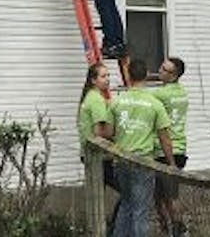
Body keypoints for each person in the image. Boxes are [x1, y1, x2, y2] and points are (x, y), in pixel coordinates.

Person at [109, 59, 175, 237]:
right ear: (146, 76)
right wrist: (171, 163)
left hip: (121, 160)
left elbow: (108, 131)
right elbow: (165, 138)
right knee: (140, 212)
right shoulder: (154, 104)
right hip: (143, 162)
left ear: (128, 75)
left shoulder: (117, 102)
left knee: (126, 205)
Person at [154, 58, 189, 237]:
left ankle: (177, 230)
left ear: (174, 75)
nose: (159, 71)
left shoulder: (161, 94)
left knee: (167, 195)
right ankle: (174, 229)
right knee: (166, 195)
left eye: (164, 70)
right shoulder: (182, 92)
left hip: (166, 151)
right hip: (180, 148)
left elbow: (138, 95)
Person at [78, 63, 116, 188]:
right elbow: (100, 131)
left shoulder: (89, 97)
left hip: (88, 152)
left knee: (97, 193)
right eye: (103, 76)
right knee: (128, 191)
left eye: (108, 76)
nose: (107, 80)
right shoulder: (96, 100)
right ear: (93, 80)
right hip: (99, 155)